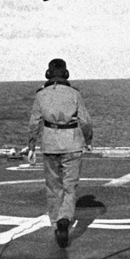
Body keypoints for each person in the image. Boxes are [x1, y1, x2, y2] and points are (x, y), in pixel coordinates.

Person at [26, 58, 94, 248]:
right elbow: (86, 121)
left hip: (50, 145)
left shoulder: (41, 95)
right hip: (72, 144)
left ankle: (57, 221)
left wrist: (31, 146)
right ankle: (65, 218)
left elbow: (33, 123)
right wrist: (88, 140)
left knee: (53, 186)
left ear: (48, 74)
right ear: (66, 74)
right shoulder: (75, 94)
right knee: (70, 186)